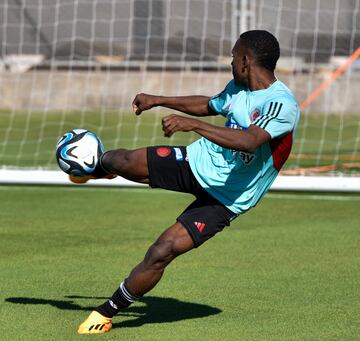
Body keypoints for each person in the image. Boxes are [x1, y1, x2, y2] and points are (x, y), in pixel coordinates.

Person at [76, 30, 300, 334]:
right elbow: (209, 104)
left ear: (246, 61)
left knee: (162, 251)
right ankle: (93, 168)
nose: (230, 62)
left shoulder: (280, 104)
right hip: (200, 162)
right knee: (121, 160)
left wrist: (193, 125)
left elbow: (249, 141)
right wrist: (158, 100)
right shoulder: (238, 87)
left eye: (233, 56)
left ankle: (107, 312)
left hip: (227, 199)